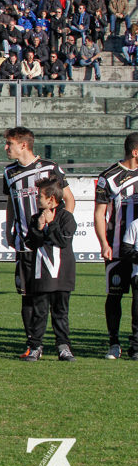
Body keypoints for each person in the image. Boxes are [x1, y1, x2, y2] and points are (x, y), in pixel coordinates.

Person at [21, 177, 77, 362]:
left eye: (40, 197)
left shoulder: (66, 217)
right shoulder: (36, 218)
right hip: (41, 274)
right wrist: (39, 228)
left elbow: (63, 241)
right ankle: (36, 346)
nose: (37, 199)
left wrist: (51, 224)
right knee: (39, 313)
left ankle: (63, 347)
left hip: (62, 276)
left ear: (52, 199)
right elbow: (30, 242)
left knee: (61, 313)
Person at [94, 133, 138, 360]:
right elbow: (100, 213)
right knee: (115, 296)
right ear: (135, 152)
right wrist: (104, 243)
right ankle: (114, 342)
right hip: (117, 247)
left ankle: (136, 345)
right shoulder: (109, 177)